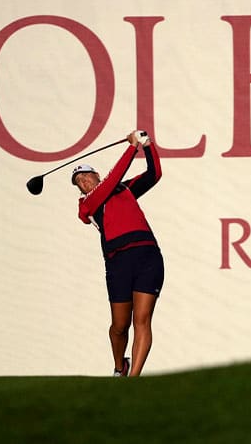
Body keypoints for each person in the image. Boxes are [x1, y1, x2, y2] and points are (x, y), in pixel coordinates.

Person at [71, 130, 164, 377]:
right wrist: (131, 148)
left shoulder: (123, 189)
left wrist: (147, 144)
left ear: (96, 175)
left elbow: (155, 174)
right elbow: (110, 183)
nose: (83, 182)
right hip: (118, 262)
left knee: (142, 320)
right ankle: (118, 366)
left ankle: (133, 379)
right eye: (78, 182)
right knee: (119, 326)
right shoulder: (86, 205)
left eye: (86, 176)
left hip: (147, 254)